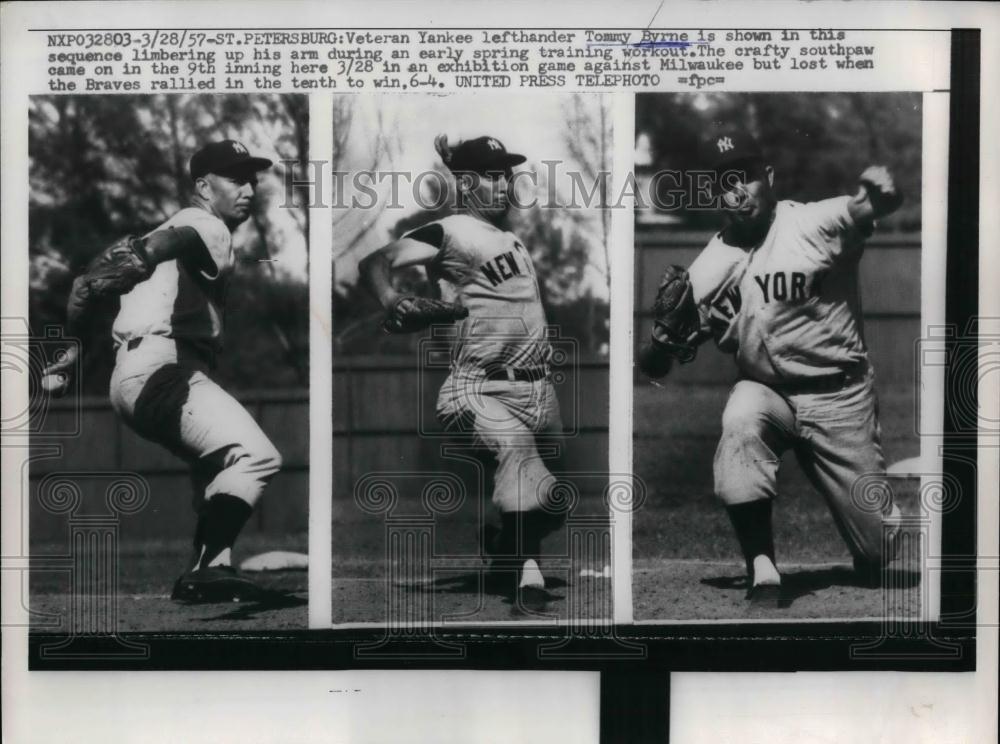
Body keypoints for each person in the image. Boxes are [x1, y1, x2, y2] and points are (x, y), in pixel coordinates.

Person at [640, 129, 903, 605]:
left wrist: (882, 194)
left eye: (745, 177)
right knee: (741, 416)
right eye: (724, 182)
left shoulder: (813, 223)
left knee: (880, 550)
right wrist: (664, 335)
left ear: (770, 177)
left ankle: (873, 541)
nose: (736, 191)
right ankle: (762, 566)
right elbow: (652, 365)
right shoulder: (709, 265)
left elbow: (865, 208)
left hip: (838, 396)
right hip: (769, 394)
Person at [43, 139, 281, 603]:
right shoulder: (204, 223)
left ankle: (203, 573)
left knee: (216, 472)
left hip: (133, 375)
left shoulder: (164, 231)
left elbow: (81, 289)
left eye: (252, 178)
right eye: (236, 178)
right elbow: (174, 241)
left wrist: (72, 349)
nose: (249, 188)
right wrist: (146, 252)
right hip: (164, 371)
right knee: (257, 456)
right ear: (203, 186)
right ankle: (208, 570)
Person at [359, 134, 565, 612]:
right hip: (478, 388)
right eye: (493, 176)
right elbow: (376, 261)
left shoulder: (510, 239)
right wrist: (392, 299)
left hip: (536, 391)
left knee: (555, 500)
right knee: (518, 456)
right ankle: (527, 578)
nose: (504, 184)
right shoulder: (450, 231)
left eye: (506, 175)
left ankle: (502, 548)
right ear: (467, 182)